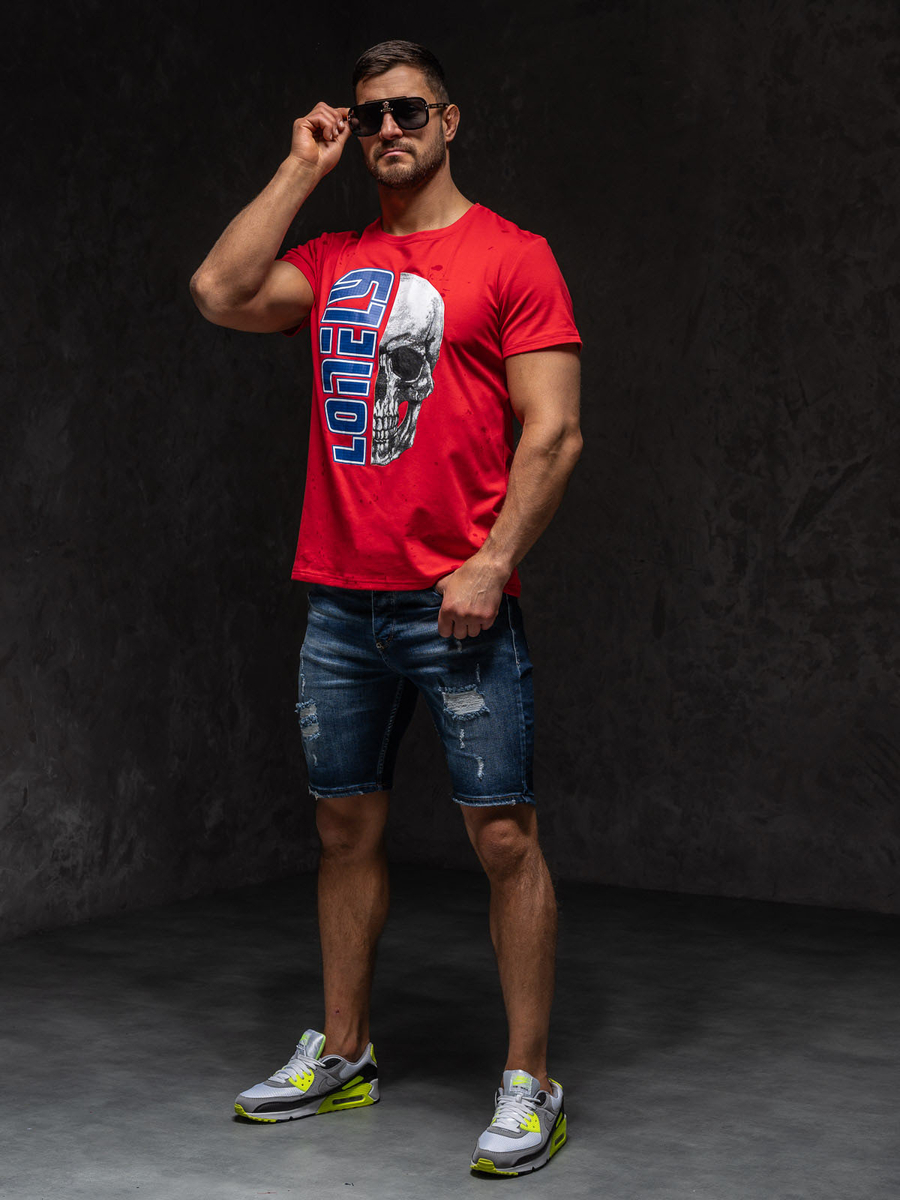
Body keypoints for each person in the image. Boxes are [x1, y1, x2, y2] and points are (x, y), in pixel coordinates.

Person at [190, 39, 581, 1177]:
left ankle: (530, 1081)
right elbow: (220, 292)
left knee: (502, 837)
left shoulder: (513, 256)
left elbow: (555, 433)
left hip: (457, 606)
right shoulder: (332, 259)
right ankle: (346, 1051)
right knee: (341, 831)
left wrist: (492, 564)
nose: (389, 130)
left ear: (451, 120)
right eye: (369, 117)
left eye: (409, 110)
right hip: (340, 605)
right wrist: (301, 167)